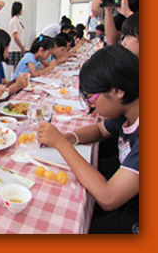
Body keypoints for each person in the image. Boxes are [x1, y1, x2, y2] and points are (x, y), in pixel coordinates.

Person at [37, 45, 138, 234]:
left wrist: (61, 143)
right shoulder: (129, 110)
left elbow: (108, 197)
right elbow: (100, 130)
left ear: (117, 91)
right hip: (128, 199)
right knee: (72, 198)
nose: (91, 108)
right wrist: (69, 137)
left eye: (92, 99)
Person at [7, 2, 26, 68]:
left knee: (18, 67)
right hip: (15, 48)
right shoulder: (13, 21)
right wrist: (22, 47)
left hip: (18, 48)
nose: (22, 10)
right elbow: (15, 36)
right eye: (21, 9)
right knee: (15, 68)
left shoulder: (18, 20)